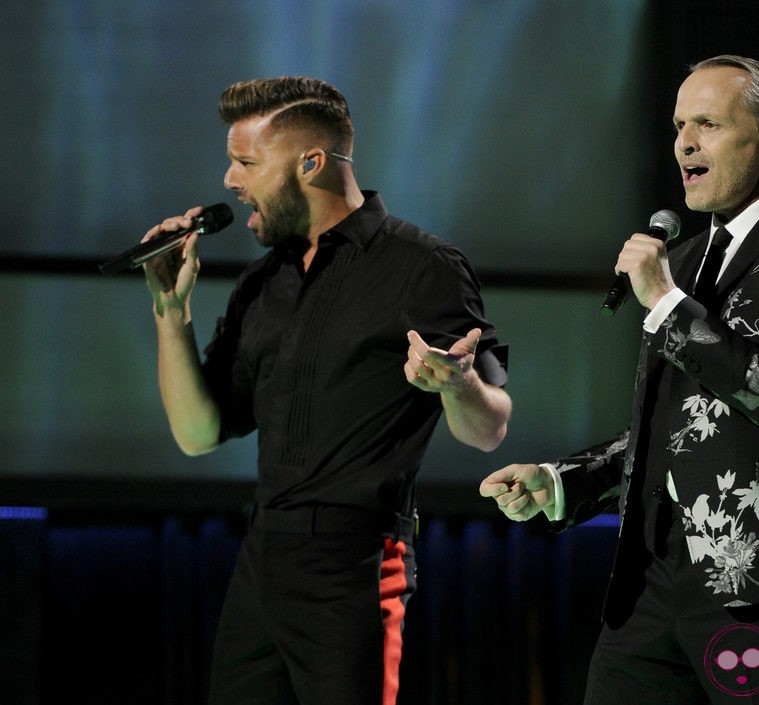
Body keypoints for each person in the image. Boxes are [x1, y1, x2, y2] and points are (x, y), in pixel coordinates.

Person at [480, 55, 759, 704]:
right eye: (678, 125)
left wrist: (666, 302)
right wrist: (561, 481)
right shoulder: (686, 261)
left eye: (709, 124)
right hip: (651, 580)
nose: (685, 143)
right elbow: (671, 428)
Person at [141, 76, 511, 705]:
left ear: (311, 162)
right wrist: (170, 315)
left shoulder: (422, 266)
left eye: (246, 162)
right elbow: (198, 434)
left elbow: (489, 427)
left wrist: (457, 384)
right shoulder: (264, 281)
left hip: (359, 557)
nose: (230, 180)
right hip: (263, 553)